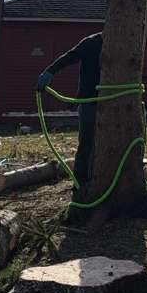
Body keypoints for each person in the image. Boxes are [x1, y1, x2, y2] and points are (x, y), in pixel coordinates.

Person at [37, 32, 103, 184]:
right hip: (90, 100)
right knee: (87, 142)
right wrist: (50, 71)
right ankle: (80, 183)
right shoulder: (92, 42)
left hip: (113, 102)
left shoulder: (122, 45)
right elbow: (69, 57)